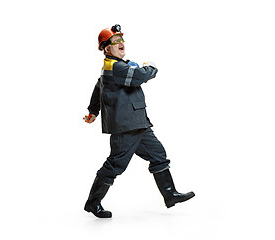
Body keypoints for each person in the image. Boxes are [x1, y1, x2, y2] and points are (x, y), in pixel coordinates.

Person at [83, 24, 195, 218]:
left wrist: (93, 111)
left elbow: (98, 88)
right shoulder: (116, 67)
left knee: (158, 154)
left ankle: (169, 194)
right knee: (115, 165)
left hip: (139, 124)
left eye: (121, 40)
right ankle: (93, 203)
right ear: (106, 48)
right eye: (115, 41)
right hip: (126, 126)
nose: (120, 43)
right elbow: (139, 77)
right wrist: (150, 67)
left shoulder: (117, 65)